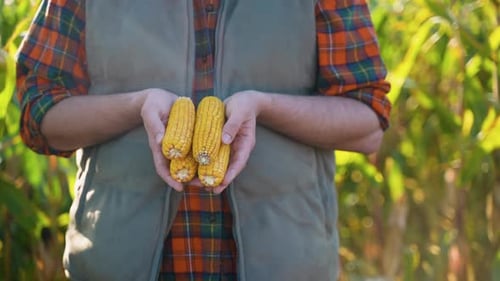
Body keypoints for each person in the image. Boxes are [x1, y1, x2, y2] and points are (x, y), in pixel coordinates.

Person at [16, 0, 391, 280]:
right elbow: (39, 114)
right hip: (121, 263)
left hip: (284, 264)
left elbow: (367, 122)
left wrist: (266, 107)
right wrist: (135, 105)